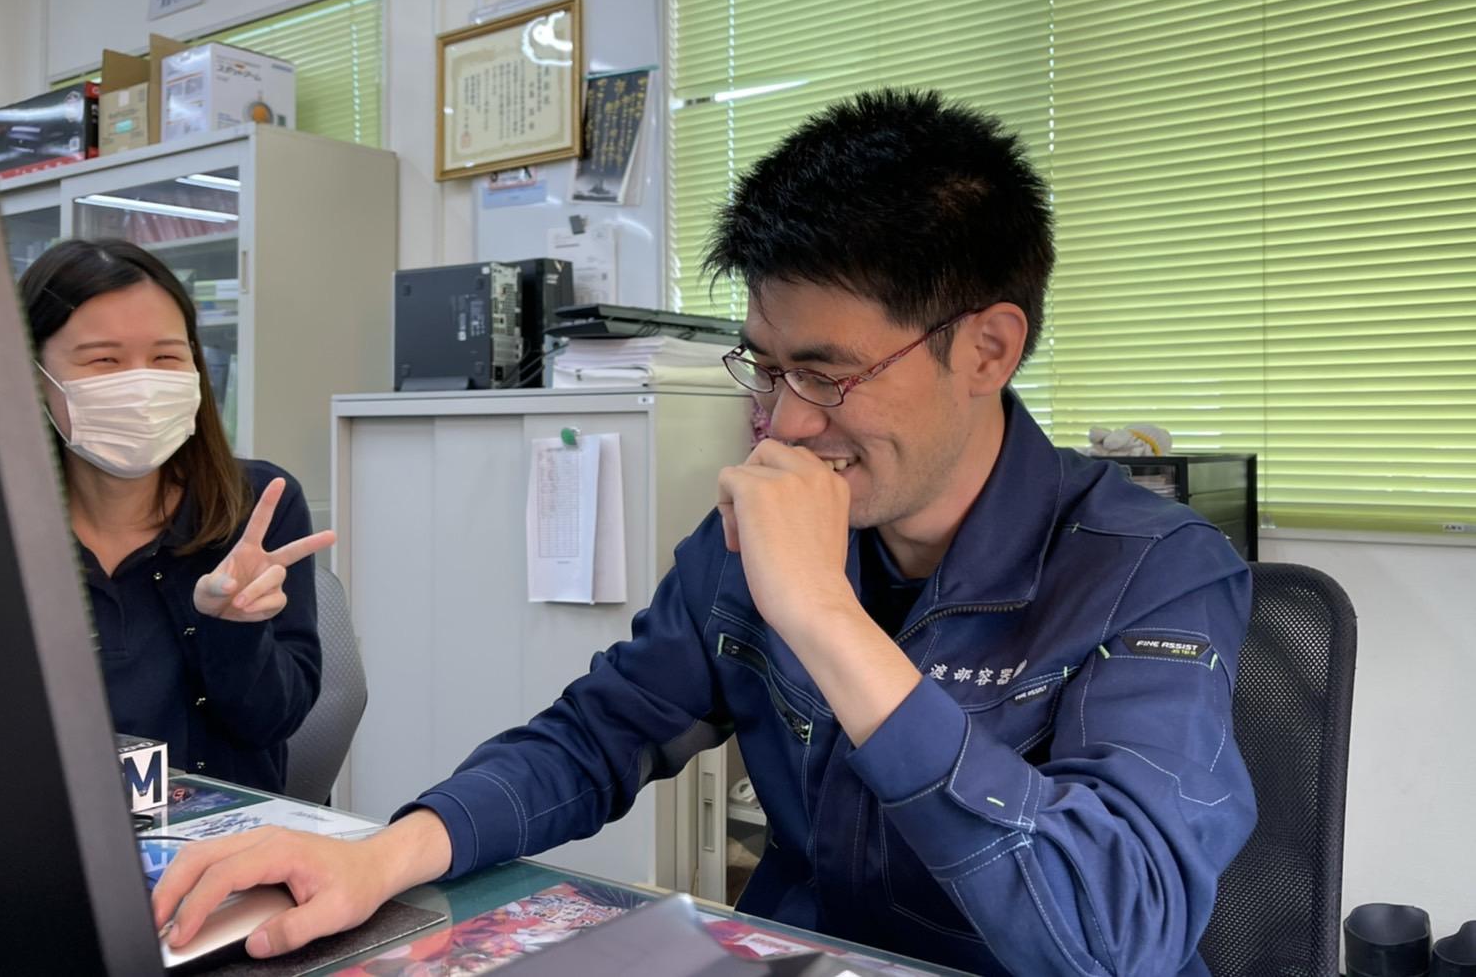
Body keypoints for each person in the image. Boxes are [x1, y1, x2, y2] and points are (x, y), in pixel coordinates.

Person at [154, 91, 1256, 975]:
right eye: (763, 368)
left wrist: (824, 618)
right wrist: (386, 855)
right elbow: (597, 735)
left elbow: (1115, 936)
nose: (782, 422)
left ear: (986, 349)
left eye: (824, 373)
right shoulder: (754, 533)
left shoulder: (1154, 570)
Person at [21, 238, 335, 793]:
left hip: (220, 831)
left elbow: (273, 722)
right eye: (104, 360)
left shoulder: (256, 505)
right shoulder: (16, 526)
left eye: (166, 357)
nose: (141, 385)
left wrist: (234, 629)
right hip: (49, 823)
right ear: (31, 375)